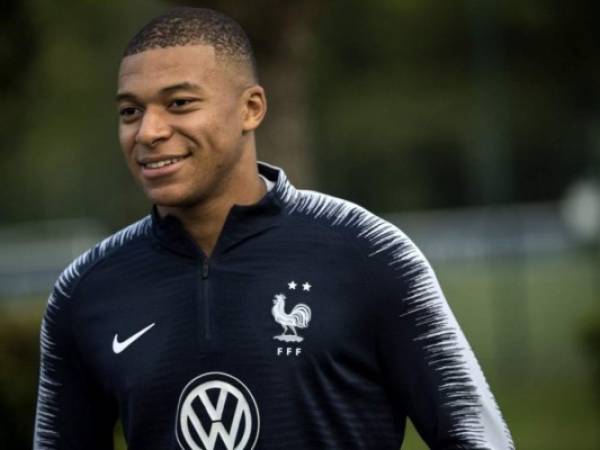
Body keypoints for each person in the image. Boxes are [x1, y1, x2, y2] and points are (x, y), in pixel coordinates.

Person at [33, 7, 514, 450]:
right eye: (129, 111)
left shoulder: (371, 253)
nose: (148, 131)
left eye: (179, 103)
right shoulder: (85, 292)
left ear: (252, 108)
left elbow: (479, 439)